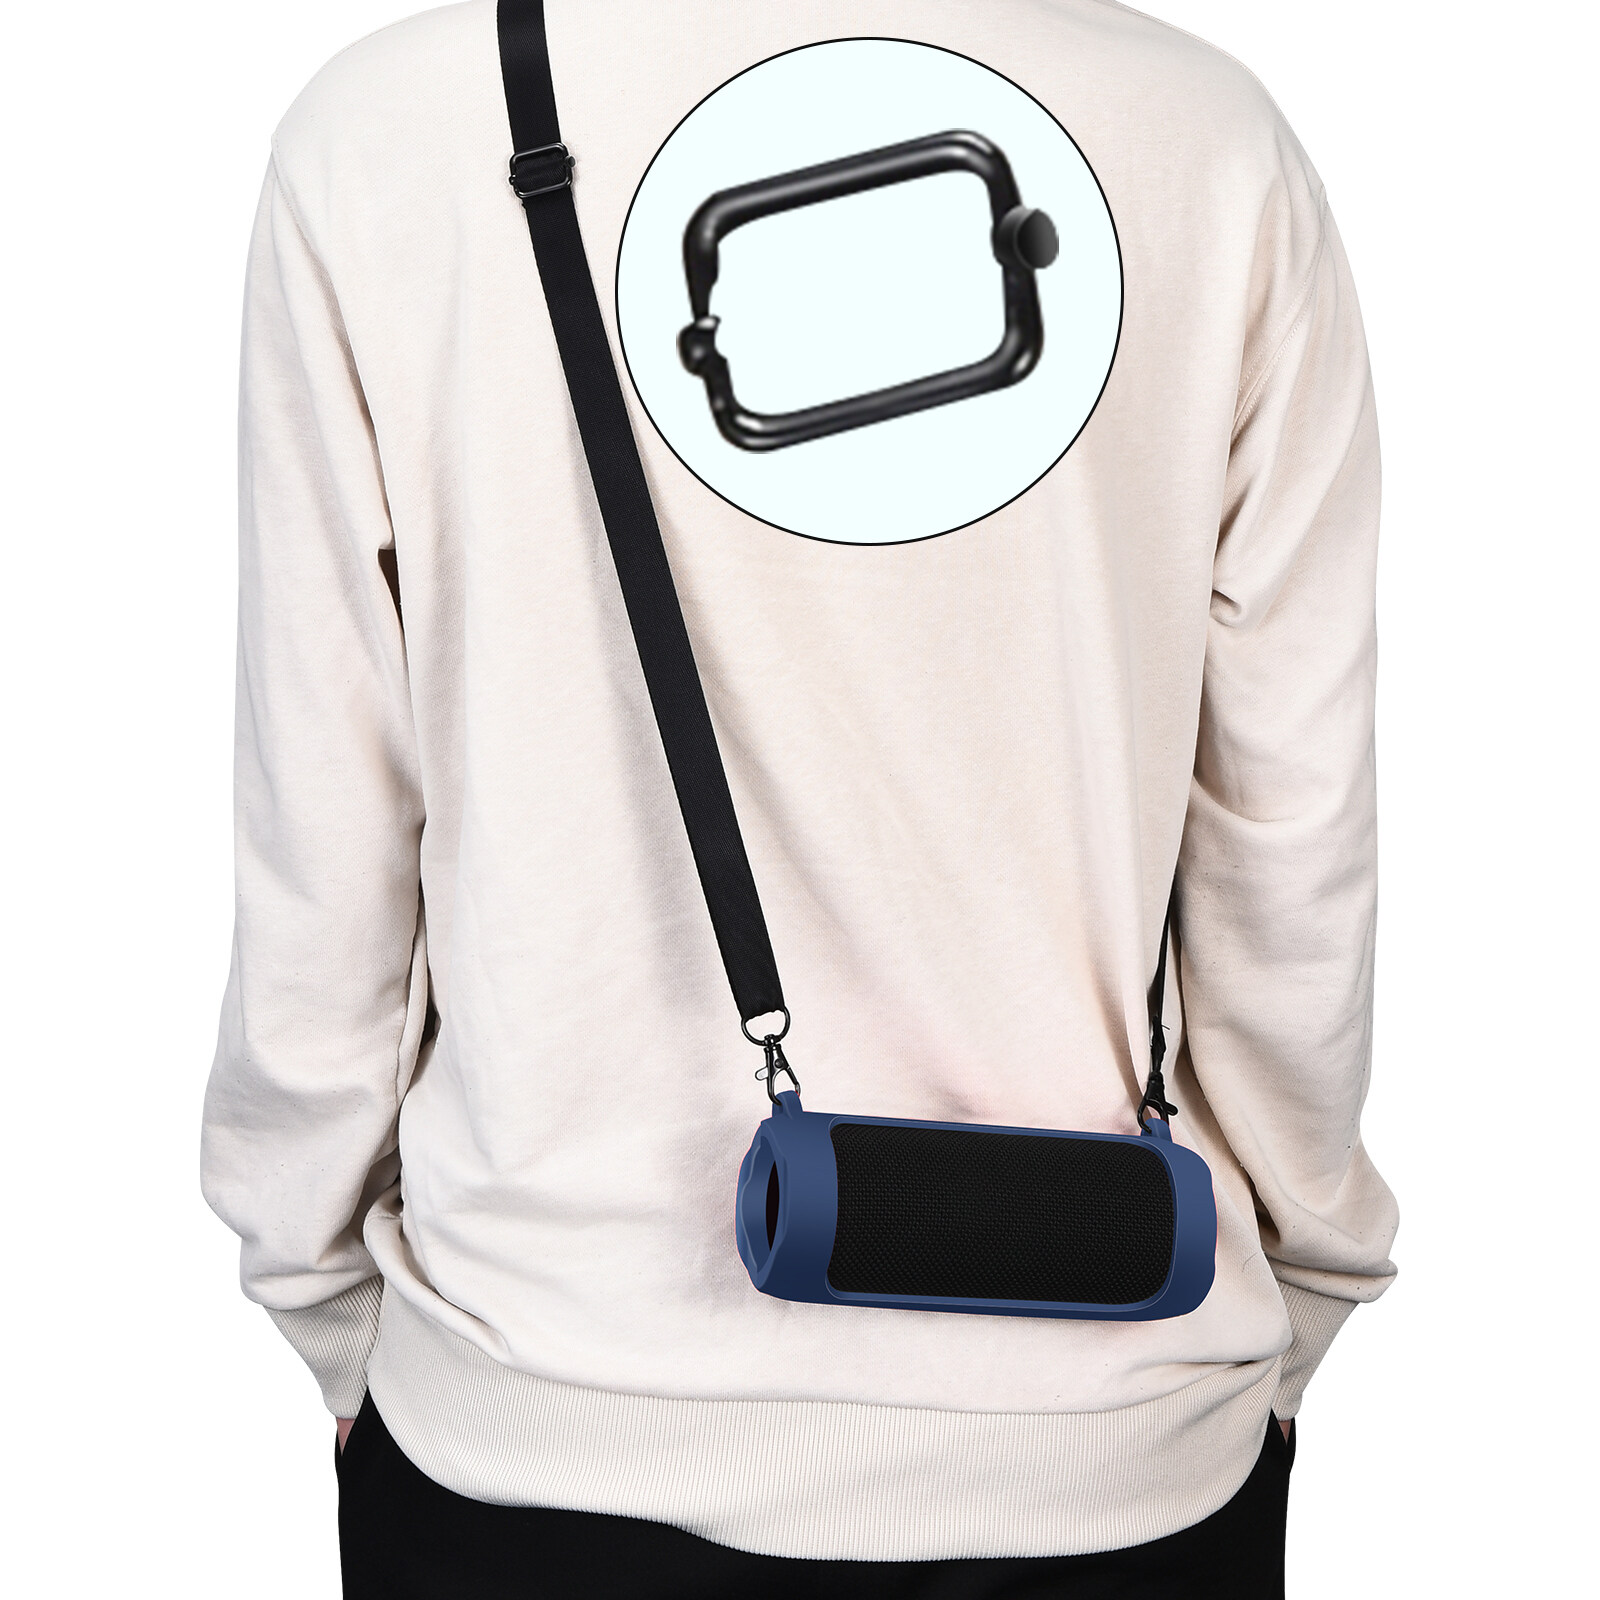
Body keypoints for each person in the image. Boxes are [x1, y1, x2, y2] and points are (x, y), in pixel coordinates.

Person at [202, 2, 1399, 1595]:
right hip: (1118, 1410)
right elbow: (1289, 831)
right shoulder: (1210, 140)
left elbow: (326, 819)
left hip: (545, 1390)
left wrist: (327, 1295)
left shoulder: (384, 129)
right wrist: (1298, 1288)